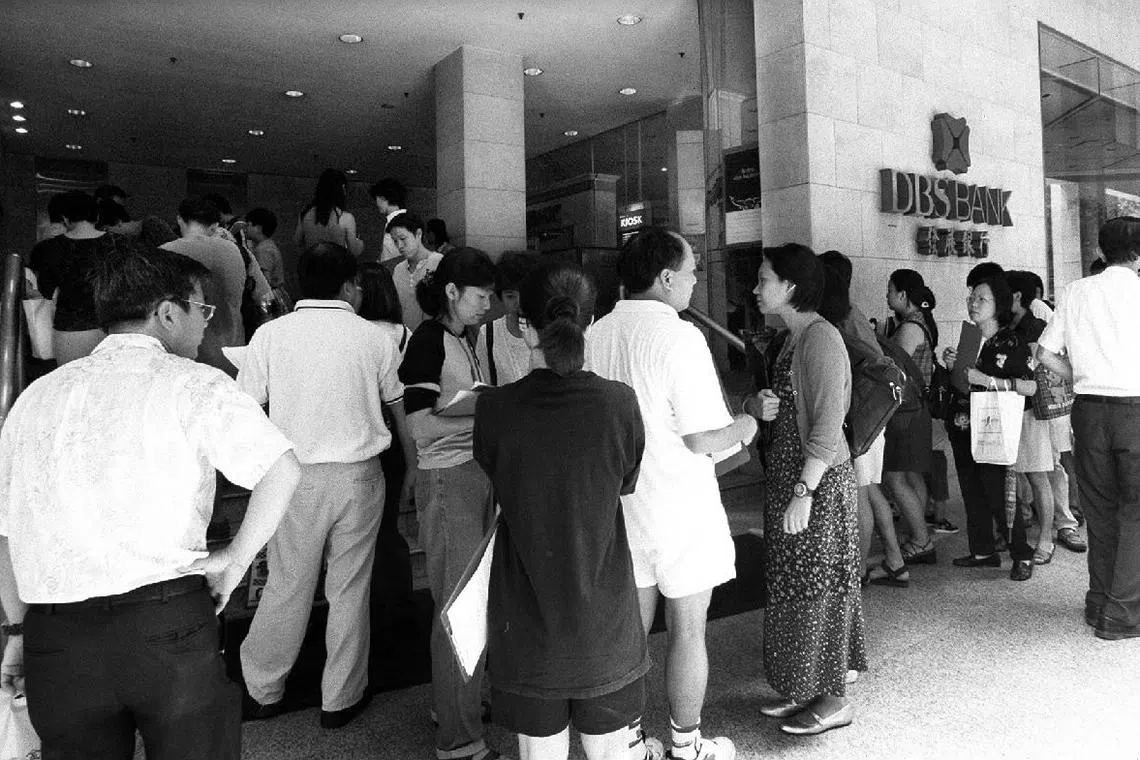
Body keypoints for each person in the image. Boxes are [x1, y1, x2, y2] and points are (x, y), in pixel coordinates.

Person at [0, 244, 300, 758]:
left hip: (57, 633)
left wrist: (17, 626)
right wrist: (233, 561)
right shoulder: (194, 383)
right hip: (166, 623)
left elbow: (5, 529)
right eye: (201, 310)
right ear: (166, 312)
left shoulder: (36, 397)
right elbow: (282, 470)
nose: (205, 325)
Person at [473, 261, 658, 760]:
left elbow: (499, 477)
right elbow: (625, 483)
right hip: (606, 623)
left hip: (526, 625)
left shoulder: (494, 410)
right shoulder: (619, 404)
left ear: (522, 324)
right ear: (590, 323)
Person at [584, 227, 754, 760]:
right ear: (664, 278)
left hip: (622, 507)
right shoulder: (681, 337)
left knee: (628, 638)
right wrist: (747, 425)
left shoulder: (598, 333)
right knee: (687, 631)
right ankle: (687, 743)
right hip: (680, 506)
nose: (696, 279)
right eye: (691, 270)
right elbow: (702, 435)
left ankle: (630, 743)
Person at [237, 242, 416, 728]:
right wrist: (414, 467)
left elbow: (246, 411)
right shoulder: (373, 338)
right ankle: (340, 698)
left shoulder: (270, 336)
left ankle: (262, 688)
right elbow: (396, 407)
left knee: (288, 583)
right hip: (360, 477)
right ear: (347, 285)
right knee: (350, 588)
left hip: (292, 475)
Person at [747, 243, 864, 735]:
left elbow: (828, 426)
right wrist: (759, 404)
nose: (755, 289)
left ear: (790, 287)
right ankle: (807, 687)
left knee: (821, 584)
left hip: (816, 484)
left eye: (764, 279)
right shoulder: (792, 340)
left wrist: (803, 492)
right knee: (796, 584)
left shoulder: (820, 338)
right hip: (795, 480)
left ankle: (833, 697)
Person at [398, 248, 503, 760]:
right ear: (452, 292)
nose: (488, 306)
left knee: (470, 602)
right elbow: (421, 427)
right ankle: (460, 743)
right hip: (448, 483)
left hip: (473, 477)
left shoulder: (464, 338)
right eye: (480, 296)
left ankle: (455, 705)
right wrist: (488, 414)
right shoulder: (427, 340)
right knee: (458, 607)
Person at [1038, 216, 1140, 639]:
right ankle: (1121, 614)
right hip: (1135, 411)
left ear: (1100, 251)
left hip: (1089, 411)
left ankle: (1098, 600)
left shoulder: (1076, 291)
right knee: (1135, 512)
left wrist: (1078, 374)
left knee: (1099, 511)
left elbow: (1044, 354)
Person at [817, 252, 913, 588]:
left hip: (860, 418)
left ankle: (856, 573)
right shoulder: (850, 314)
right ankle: (896, 562)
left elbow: (866, 366)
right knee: (871, 491)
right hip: (871, 419)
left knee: (861, 495)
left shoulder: (838, 322)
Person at [943, 274, 1038, 581]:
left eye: (981, 299)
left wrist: (989, 381)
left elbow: (1030, 387)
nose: (973, 303)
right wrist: (952, 366)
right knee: (971, 490)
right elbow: (964, 380)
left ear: (1000, 305)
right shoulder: (970, 338)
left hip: (992, 427)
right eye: (971, 297)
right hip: (962, 424)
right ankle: (983, 551)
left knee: (998, 492)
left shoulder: (1011, 342)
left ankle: (1022, 553)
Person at [1006, 270, 1083, 566]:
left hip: (1040, 409)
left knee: (1047, 470)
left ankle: (1057, 530)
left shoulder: (1037, 323)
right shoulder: (1005, 324)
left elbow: (1043, 365)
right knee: (1032, 472)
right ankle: (1032, 524)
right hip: (1019, 408)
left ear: (1015, 296)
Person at [357, 262, 416, 615]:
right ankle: (399, 600)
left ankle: (368, 602)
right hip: (397, 435)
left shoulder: (356, 332)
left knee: (362, 528)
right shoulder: (405, 332)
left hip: (363, 434)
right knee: (389, 524)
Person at [27, 190, 132, 364]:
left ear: (65, 219)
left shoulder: (50, 248)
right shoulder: (120, 244)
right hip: (116, 327)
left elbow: (45, 291)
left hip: (71, 331)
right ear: (97, 216)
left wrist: (31, 291)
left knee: (73, 385)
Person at [883, 269, 939, 565]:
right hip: (919, 411)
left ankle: (920, 540)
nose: (888, 295)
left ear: (903, 294)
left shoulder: (908, 328)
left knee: (894, 477)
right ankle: (920, 535)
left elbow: (893, 371)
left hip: (906, 411)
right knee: (912, 473)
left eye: (890, 290)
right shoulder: (920, 323)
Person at [161, 198, 249, 376]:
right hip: (232, 357)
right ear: (216, 225)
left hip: (181, 361)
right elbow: (265, 299)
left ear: (179, 219)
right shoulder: (238, 251)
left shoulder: (163, 253)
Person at [478, 251, 541, 385]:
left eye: (525, 294)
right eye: (510, 296)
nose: (519, 302)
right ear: (501, 296)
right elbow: (485, 386)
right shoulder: (489, 333)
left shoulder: (550, 331)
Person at [389, 213, 444, 330]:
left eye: (403, 239)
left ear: (418, 234)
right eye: (395, 241)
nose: (400, 246)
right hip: (404, 338)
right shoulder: (398, 269)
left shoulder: (438, 262)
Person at [295, 169, 365, 258]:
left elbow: (297, 241)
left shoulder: (306, 213)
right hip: (336, 268)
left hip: (311, 267)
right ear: (343, 188)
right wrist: (360, 243)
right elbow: (354, 251)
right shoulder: (346, 218)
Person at [245, 207, 292, 313]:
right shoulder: (267, 245)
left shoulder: (263, 249)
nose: (245, 229)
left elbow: (265, 279)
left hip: (270, 297)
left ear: (258, 228)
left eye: (248, 225)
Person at [370, 178, 407, 264]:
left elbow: (398, 255)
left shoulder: (399, 221)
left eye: (376, 199)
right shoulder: (402, 218)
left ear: (382, 198)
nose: (376, 203)